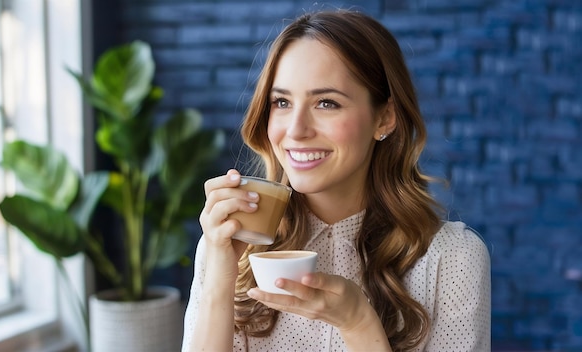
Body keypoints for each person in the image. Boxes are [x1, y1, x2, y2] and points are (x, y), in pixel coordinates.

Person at [182, 9, 490, 352]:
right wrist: (219, 278)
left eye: (326, 103)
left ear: (385, 118)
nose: (296, 130)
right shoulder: (231, 246)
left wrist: (359, 322)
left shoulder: (453, 258)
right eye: (281, 102)